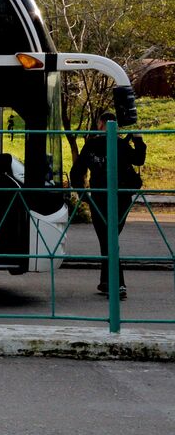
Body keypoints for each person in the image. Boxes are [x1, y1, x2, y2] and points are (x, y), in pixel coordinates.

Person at [73, 112, 146, 299]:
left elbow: (77, 171)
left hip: (99, 197)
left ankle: (117, 284)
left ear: (101, 124)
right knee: (109, 239)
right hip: (120, 197)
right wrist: (138, 140)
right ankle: (109, 282)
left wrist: (82, 194)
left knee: (107, 239)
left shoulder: (91, 145)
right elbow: (139, 159)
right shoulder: (121, 144)